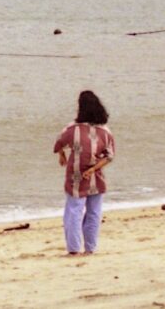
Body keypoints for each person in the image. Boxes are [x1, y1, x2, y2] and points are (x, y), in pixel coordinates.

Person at [53, 90, 115, 256]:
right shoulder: (106, 132)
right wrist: (94, 169)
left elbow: (59, 142)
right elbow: (109, 156)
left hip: (76, 175)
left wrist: (62, 155)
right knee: (94, 212)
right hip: (96, 176)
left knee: (74, 211)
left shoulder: (73, 128)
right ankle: (90, 248)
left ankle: (73, 249)